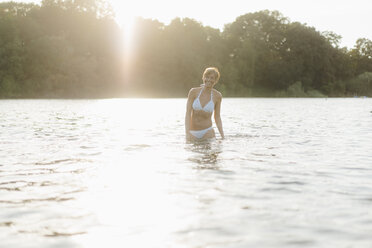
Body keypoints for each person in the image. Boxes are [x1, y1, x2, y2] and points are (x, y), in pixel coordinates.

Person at [185, 67, 224, 141]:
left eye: (212, 78)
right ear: (203, 78)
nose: (209, 80)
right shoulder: (193, 92)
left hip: (208, 133)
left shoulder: (217, 96)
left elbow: (217, 117)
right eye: (207, 77)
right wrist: (187, 133)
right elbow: (188, 114)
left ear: (215, 80)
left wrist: (222, 136)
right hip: (192, 133)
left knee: (211, 152)